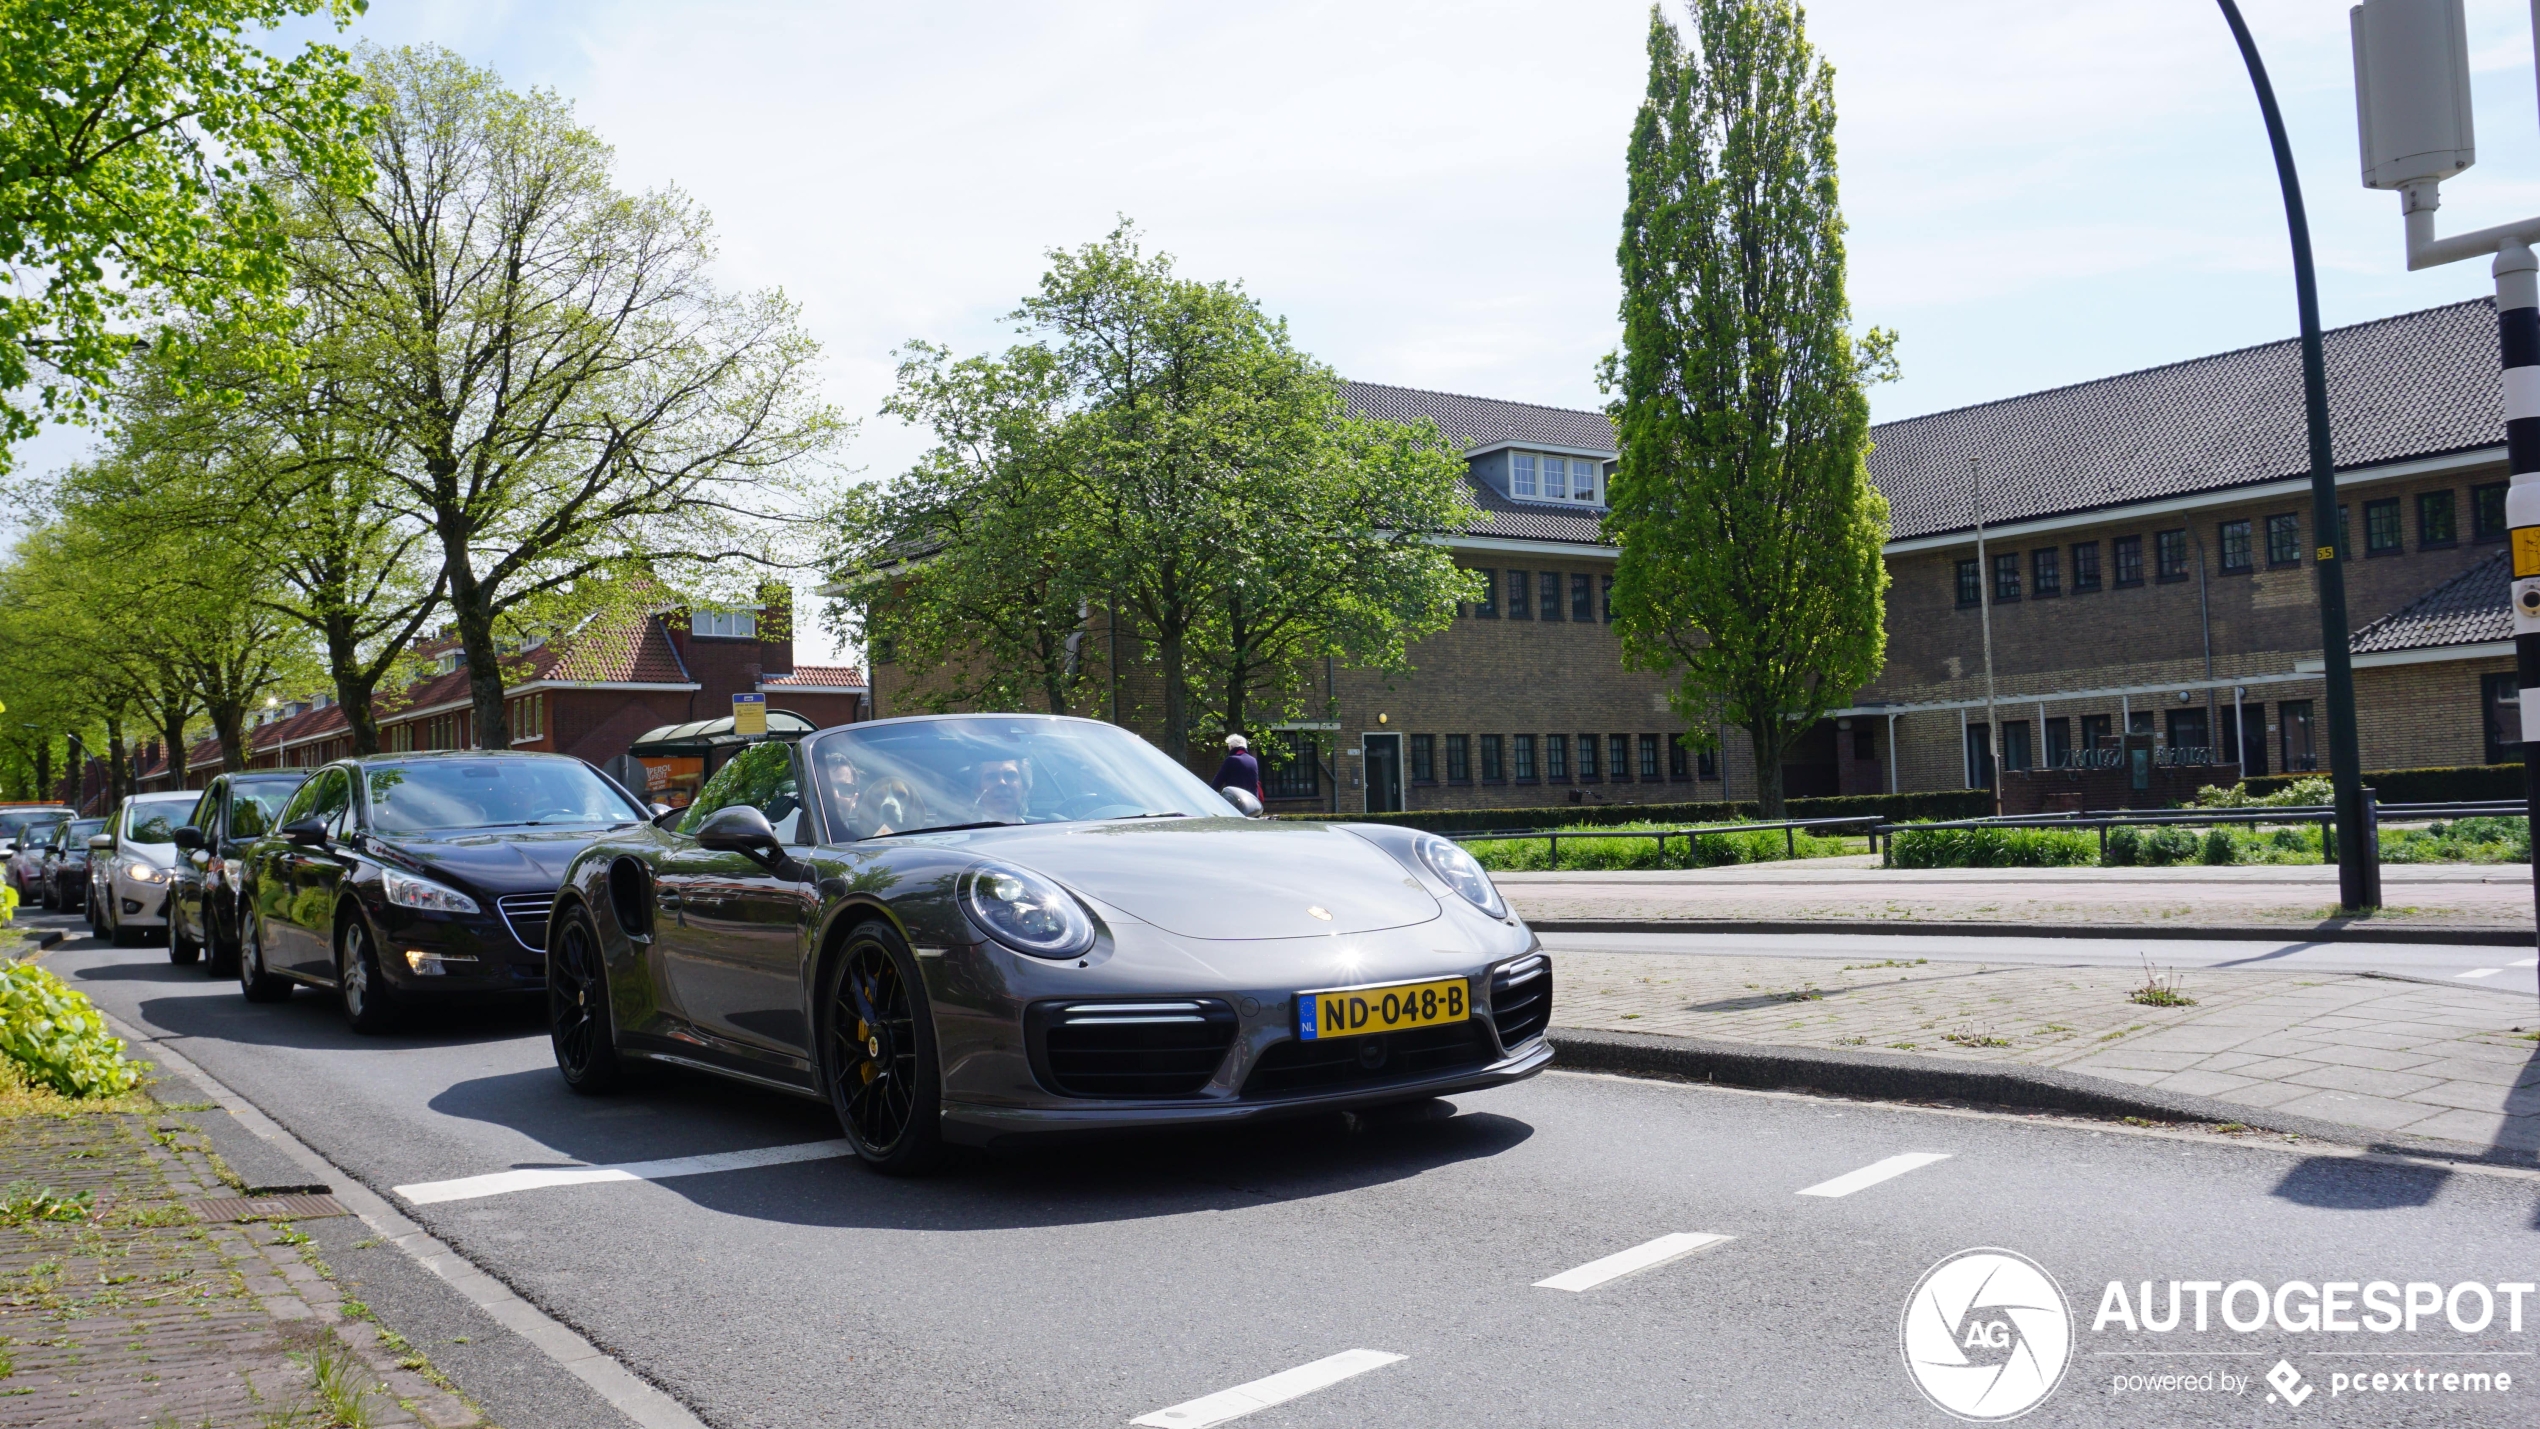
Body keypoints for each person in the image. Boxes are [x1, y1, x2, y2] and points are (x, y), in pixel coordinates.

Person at [1212, 734, 1265, 803]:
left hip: (1237, 801)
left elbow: (1218, 780)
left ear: (1231, 747)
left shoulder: (1231, 760)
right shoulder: (1253, 760)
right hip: (1252, 801)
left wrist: (1210, 792)